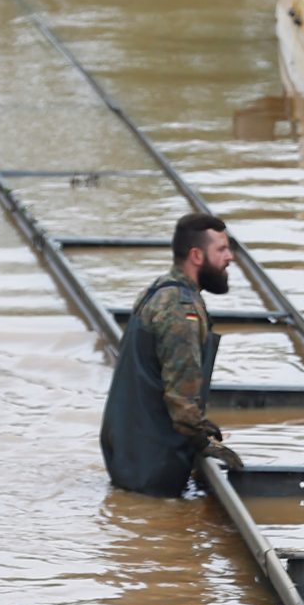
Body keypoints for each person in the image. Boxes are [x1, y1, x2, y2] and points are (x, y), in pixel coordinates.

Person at [101, 211, 247, 495]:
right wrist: (206, 442)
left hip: (126, 452)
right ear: (196, 255)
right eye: (221, 249)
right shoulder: (182, 311)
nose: (229, 257)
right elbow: (182, 399)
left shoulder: (157, 289)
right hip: (152, 465)